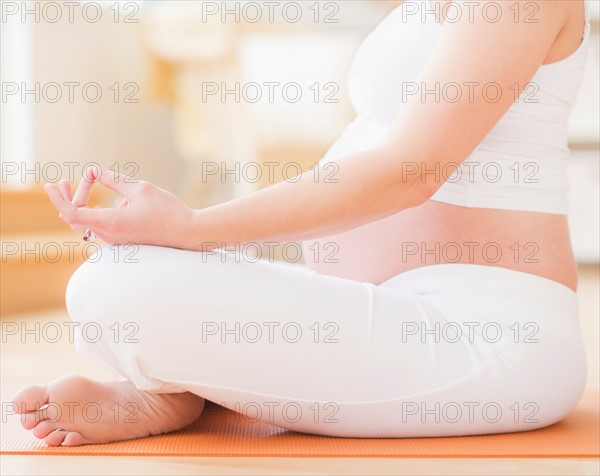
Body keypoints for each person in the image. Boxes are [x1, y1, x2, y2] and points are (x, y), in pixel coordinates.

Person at [15, 0, 591, 446]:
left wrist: (193, 228)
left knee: (115, 289)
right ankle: (192, 388)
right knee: (123, 271)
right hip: (382, 309)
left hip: (487, 336)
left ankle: (189, 386)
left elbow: (409, 173)